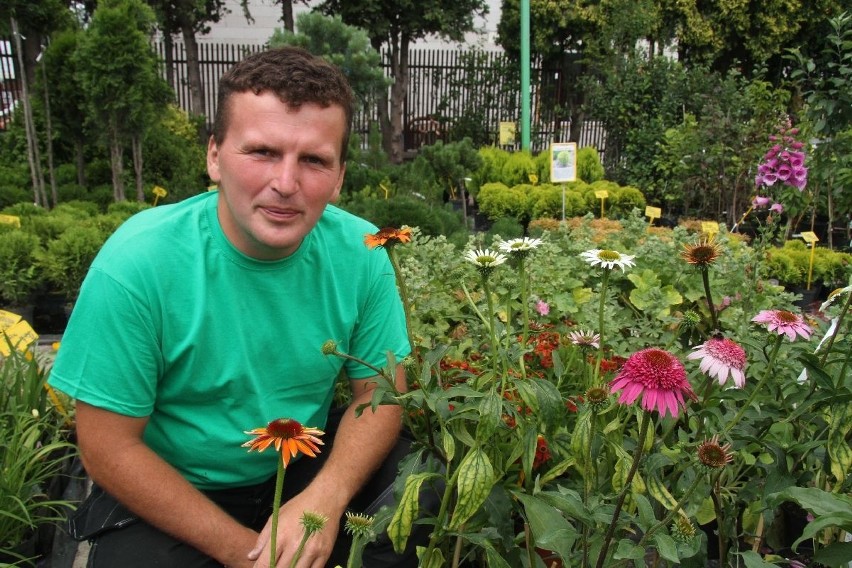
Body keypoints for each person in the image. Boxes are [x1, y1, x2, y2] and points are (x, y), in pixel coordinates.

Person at [48, 46, 413, 568]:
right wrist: (247, 556)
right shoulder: (138, 262)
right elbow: (108, 448)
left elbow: (380, 393)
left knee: (419, 493)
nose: (285, 184)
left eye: (313, 160)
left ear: (338, 176)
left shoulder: (362, 252)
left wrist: (325, 500)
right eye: (262, 152)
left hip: (299, 469)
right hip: (176, 485)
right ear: (214, 156)